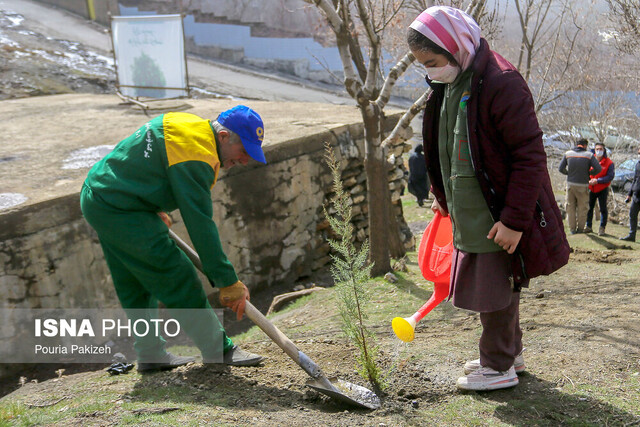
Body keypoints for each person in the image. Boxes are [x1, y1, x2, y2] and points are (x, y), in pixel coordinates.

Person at [407, 6, 569, 391]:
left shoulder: (500, 82)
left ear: (456, 46)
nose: (430, 71)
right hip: (471, 209)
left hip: (495, 213)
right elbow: (446, 142)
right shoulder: (454, 80)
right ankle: (509, 353)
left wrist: (514, 220)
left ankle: (497, 367)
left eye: (433, 61)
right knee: (497, 286)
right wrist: (441, 195)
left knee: (493, 288)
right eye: (423, 65)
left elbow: (529, 156)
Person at [80, 105, 266, 372]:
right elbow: (200, 223)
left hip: (100, 195)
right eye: (244, 150)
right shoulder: (197, 156)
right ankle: (218, 350)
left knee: (134, 284)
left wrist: (154, 204)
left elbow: (148, 160)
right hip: (121, 208)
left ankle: (150, 353)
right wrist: (227, 281)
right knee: (177, 275)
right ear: (223, 136)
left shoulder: (189, 125)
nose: (245, 160)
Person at [559, 139, 602, 234]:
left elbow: (560, 168)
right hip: (583, 185)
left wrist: (568, 173)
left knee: (570, 207)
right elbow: (598, 168)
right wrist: (589, 173)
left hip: (570, 184)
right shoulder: (589, 155)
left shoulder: (568, 154)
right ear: (585, 145)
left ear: (577, 144)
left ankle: (572, 229)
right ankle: (580, 229)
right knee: (583, 208)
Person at [585, 142, 614, 236]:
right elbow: (585, 172)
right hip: (591, 188)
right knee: (589, 207)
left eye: (601, 149)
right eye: (597, 149)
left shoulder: (609, 163)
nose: (599, 151)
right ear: (594, 149)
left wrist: (597, 180)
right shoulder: (590, 159)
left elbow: (610, 176)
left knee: (603, 209)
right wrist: (588, 180)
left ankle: (602, 228)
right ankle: (588, 226)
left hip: (602, 188)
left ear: (604, 150)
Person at [620, 145, 640, 242]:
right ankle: (632, 235)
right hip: (636, 195)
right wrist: (629, 194)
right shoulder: (638, 164)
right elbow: (635, 180)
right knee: (632, 215)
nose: (639, 150)